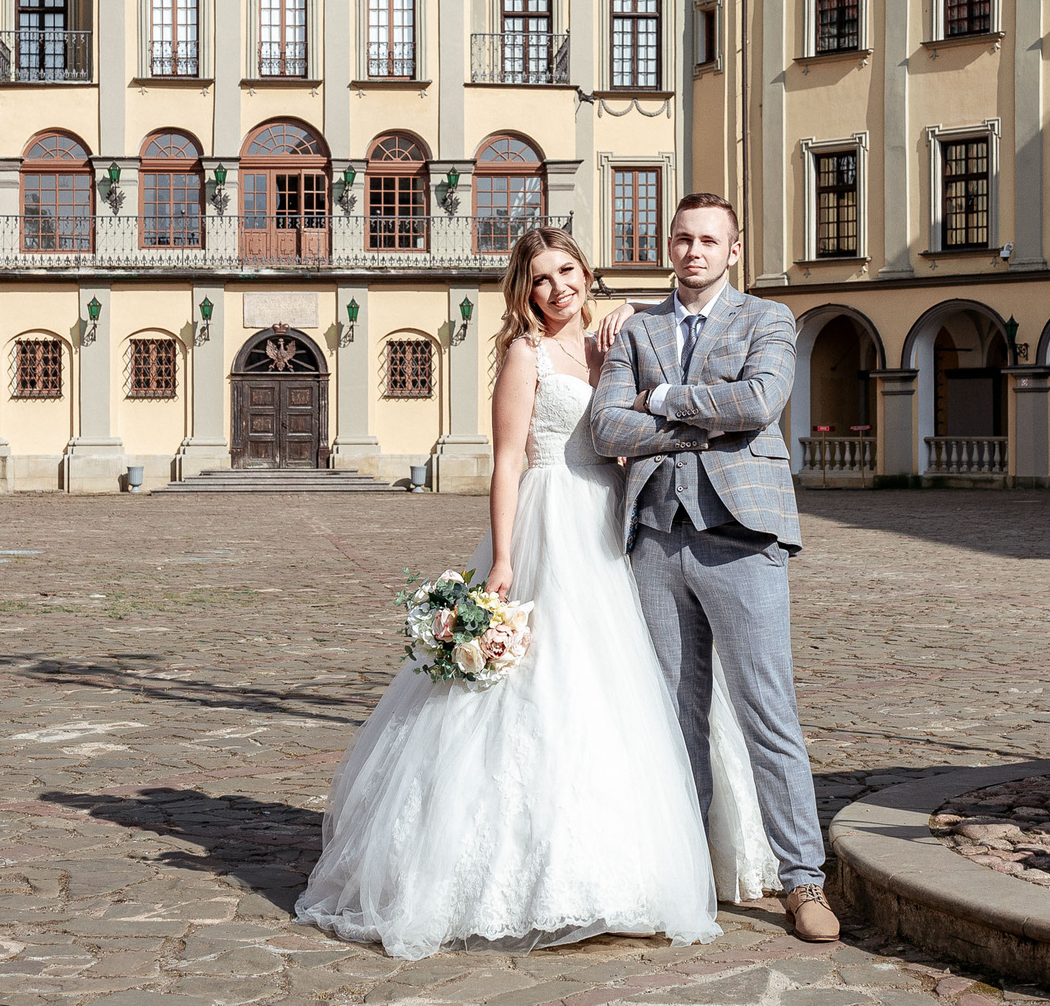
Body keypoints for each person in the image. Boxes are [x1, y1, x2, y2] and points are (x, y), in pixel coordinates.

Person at [293, 225, 776, 959]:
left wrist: (633, 304)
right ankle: (518, 871)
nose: (559, 289)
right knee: (541, 687)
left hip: (618, 518)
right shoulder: (525, 352)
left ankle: (646, 856)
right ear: (526, 288)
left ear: (589, 273)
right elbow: (510, 457)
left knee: (636, 688)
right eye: (543, 278)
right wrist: (503, 557)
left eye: (569, 272)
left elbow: (681, 313)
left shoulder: (622, 335)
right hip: (552, 519)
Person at [588, 193, 839, 943]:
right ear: (669, 246)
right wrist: (704, 425)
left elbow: (761, 401)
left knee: (769, 712)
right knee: (671, 716)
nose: (693, 250)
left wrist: (662, 400)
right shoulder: (638, 326)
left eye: (709, 240)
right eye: (683, 238)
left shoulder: (768, 319)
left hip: (744, 535)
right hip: (657, 541)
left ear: (733, 250)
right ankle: (685, 873)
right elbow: (605, 425)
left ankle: (803, 881)